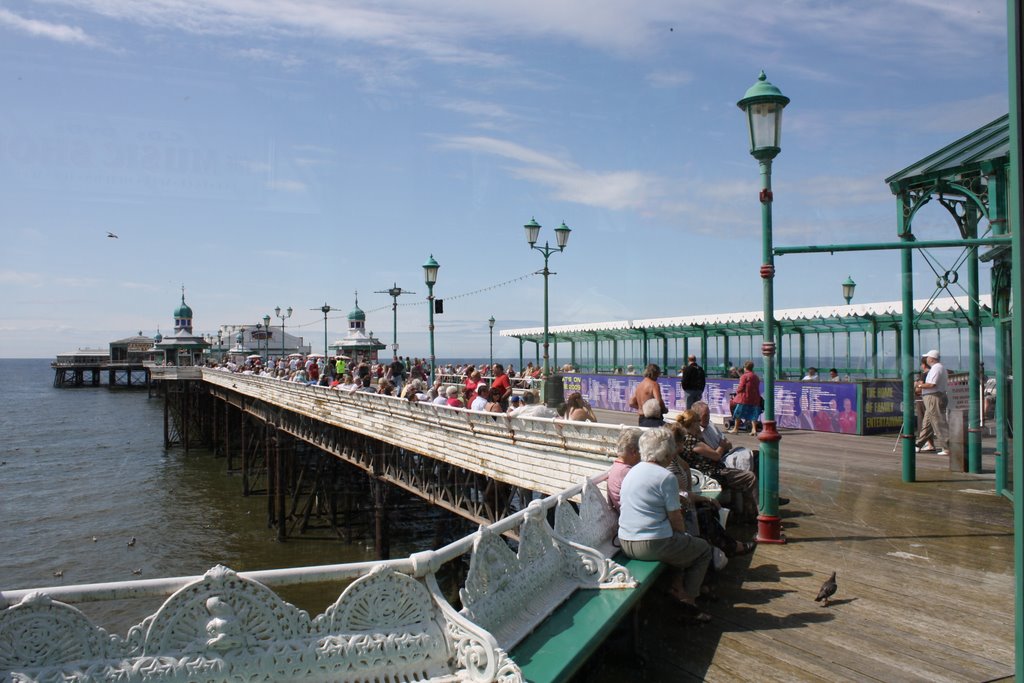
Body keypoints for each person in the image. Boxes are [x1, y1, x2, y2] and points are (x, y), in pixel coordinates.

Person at [617, 427, 712, 620]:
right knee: (702, 550)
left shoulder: (632, 472)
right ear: (667, 453)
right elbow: (676, 518)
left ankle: (675, 589)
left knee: (680, 546)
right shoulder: (666, 477)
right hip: (652, 544)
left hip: (625, 541)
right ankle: (688, 601)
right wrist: (684, 535)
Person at [675, 410, 759, 520]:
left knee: (743, 472)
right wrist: (722, 445)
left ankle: (745, 514)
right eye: (698, 421)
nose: (700, 423)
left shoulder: (688, 438)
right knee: (750, 477)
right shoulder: (692, 441)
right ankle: (758, 514)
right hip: (713, 473)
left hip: (708, 471)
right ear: (692, 423)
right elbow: (716, 455)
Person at [915, 349, 949, 455]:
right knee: (927, 423)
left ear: (932, 359)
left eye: (928, 357)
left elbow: (931, 384)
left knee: (938, 422)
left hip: (933, 398)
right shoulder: (940, 368)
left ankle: (947, 447)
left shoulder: (936, 368)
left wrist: (919, 385)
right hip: (933, 397)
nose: (926, 359)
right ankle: (918, 444)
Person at [606, 428, 642, 511]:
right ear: (634, 452)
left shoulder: (617, 466)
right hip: (632, 516)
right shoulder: (626, 471)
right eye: (642, 452)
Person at [728, 361, 761, 435]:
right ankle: (754, 430)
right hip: (754, 398)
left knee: (738, 413)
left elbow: (741, 387)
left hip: (744, 398)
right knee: (753, 414)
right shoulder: (756, 376)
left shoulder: (744, 376)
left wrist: (737, 391)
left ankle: (736, 429)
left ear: (745, 368)